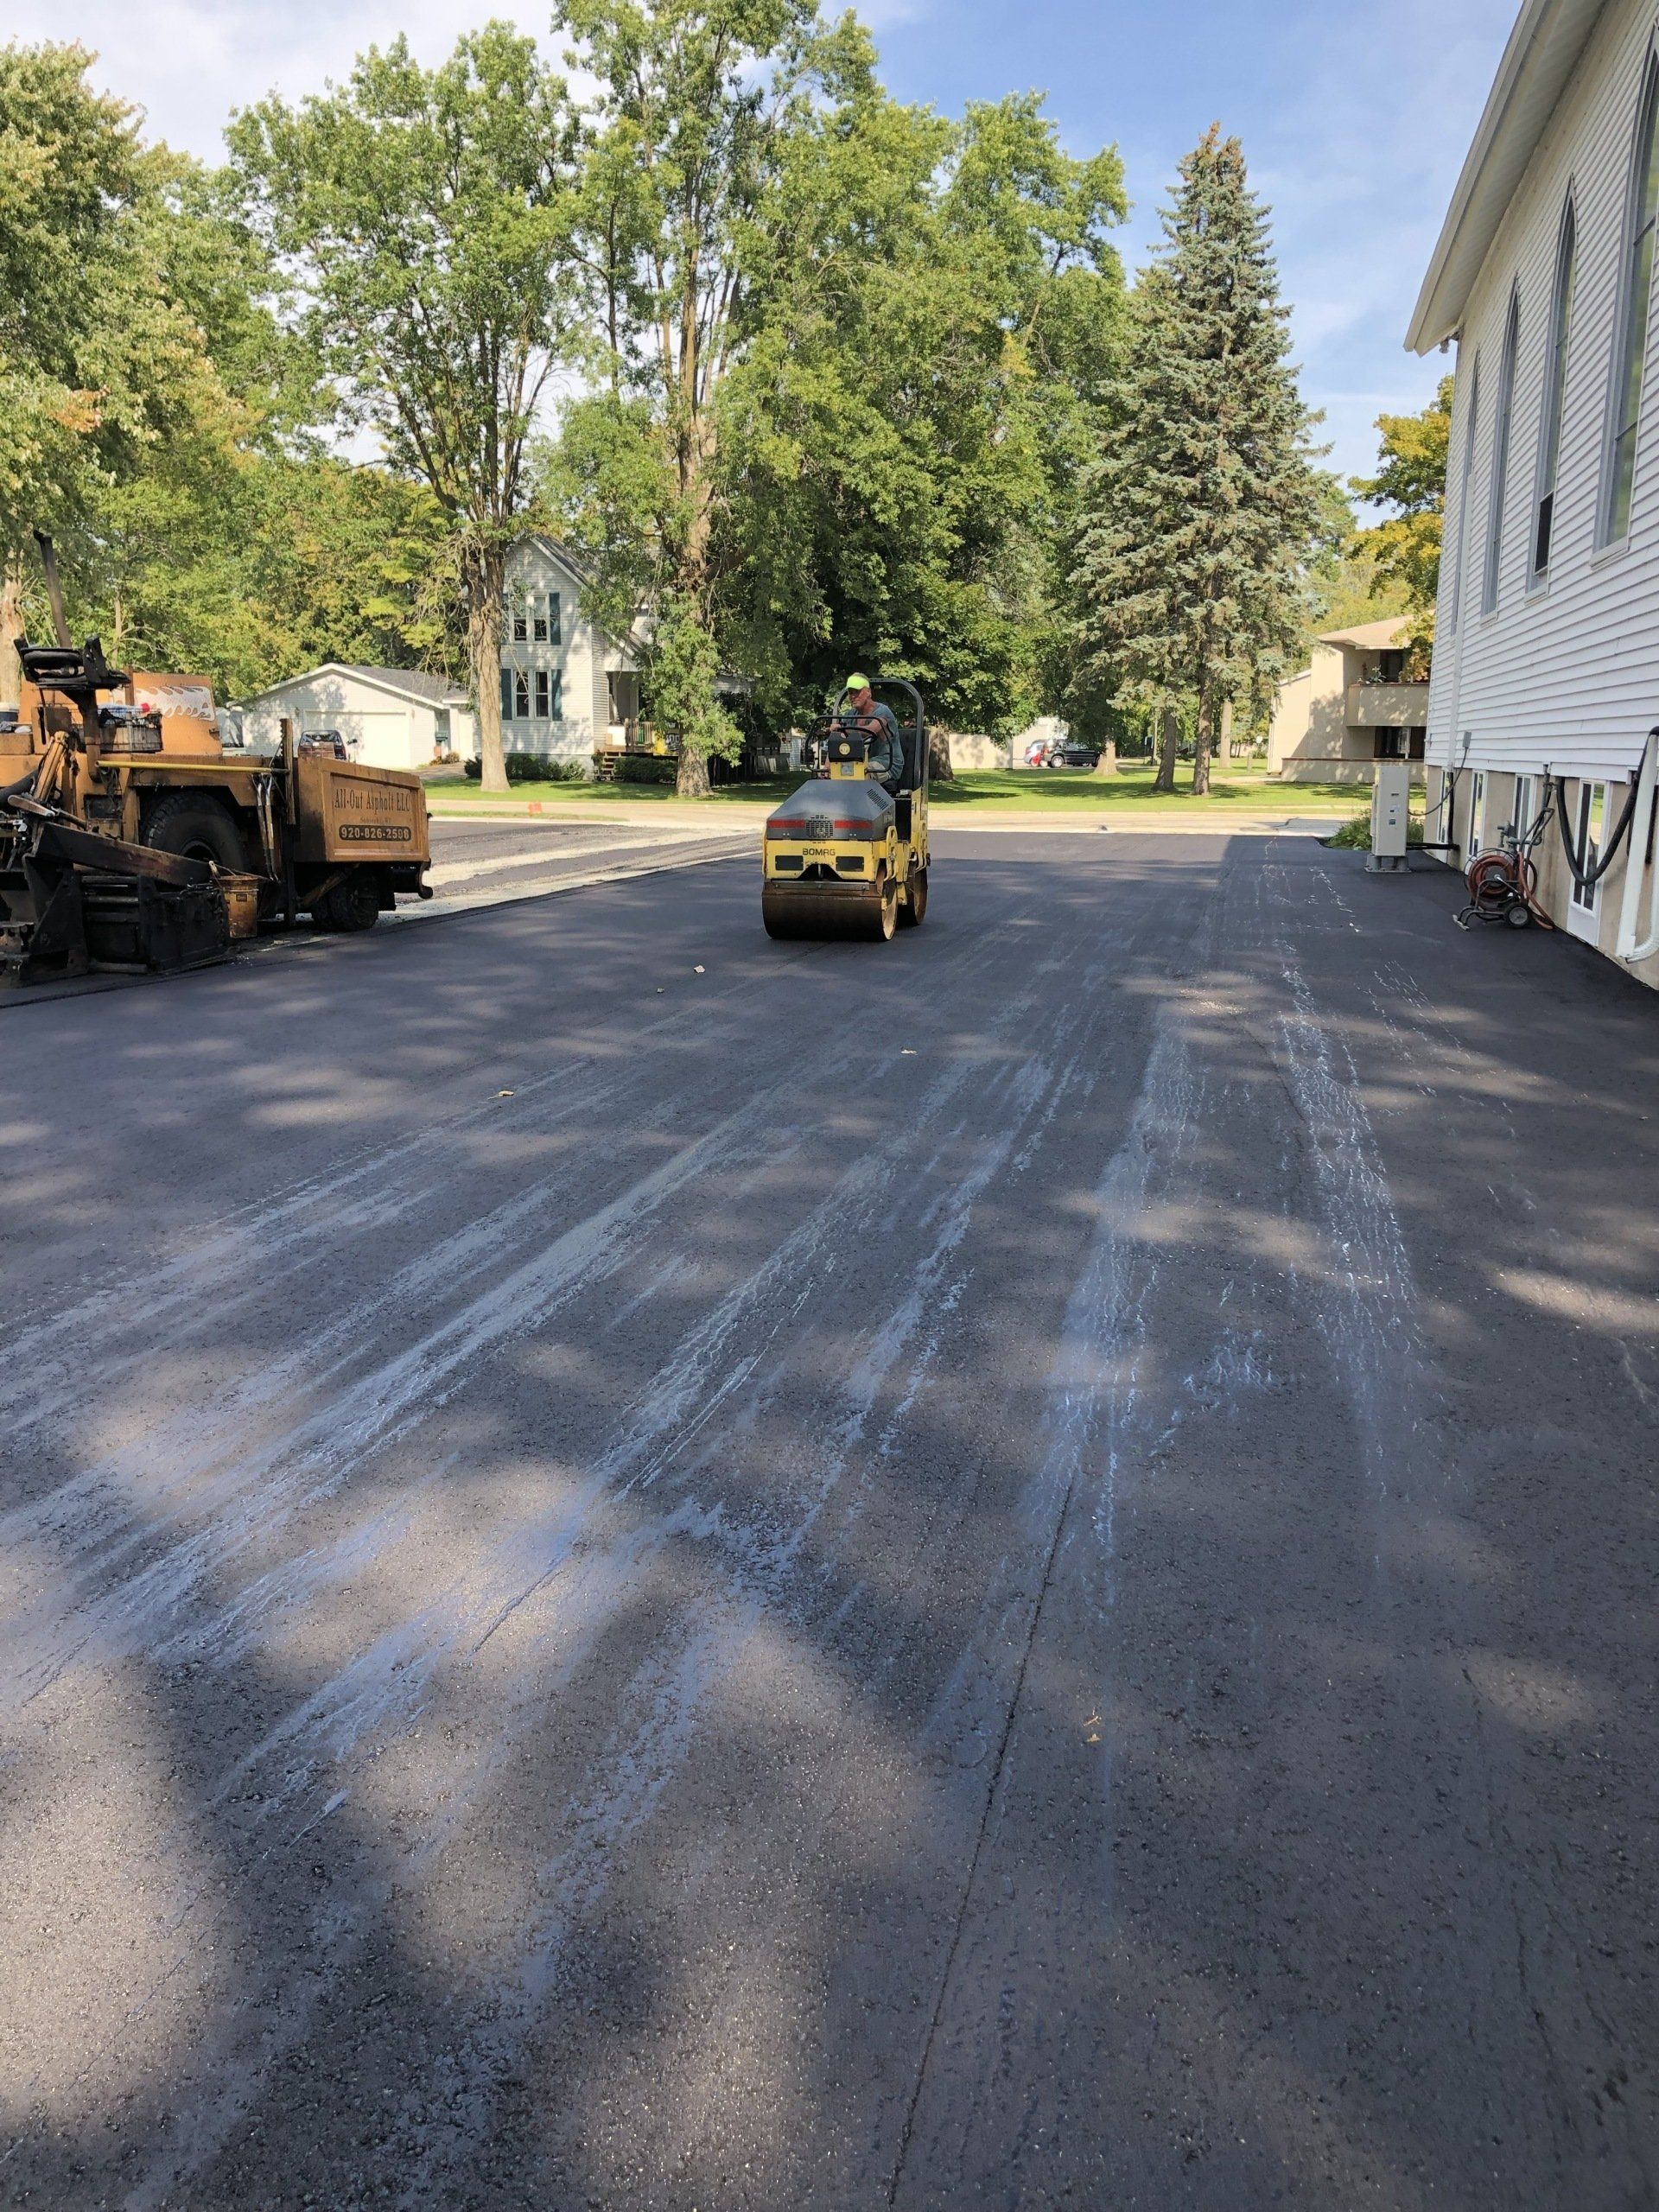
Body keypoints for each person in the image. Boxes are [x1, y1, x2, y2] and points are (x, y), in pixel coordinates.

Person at [837, 673, 906, 795]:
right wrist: (827, 768)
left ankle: (859, 810)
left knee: (861, 772)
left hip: (886, 763)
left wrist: (843, 729)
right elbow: (838, 741)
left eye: (857, 692)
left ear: (868, 692)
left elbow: (869, 731)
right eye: (850, 692)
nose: (853, 696)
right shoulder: (849, 715)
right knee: (836, 773)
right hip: (860, 762)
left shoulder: (883, 712)